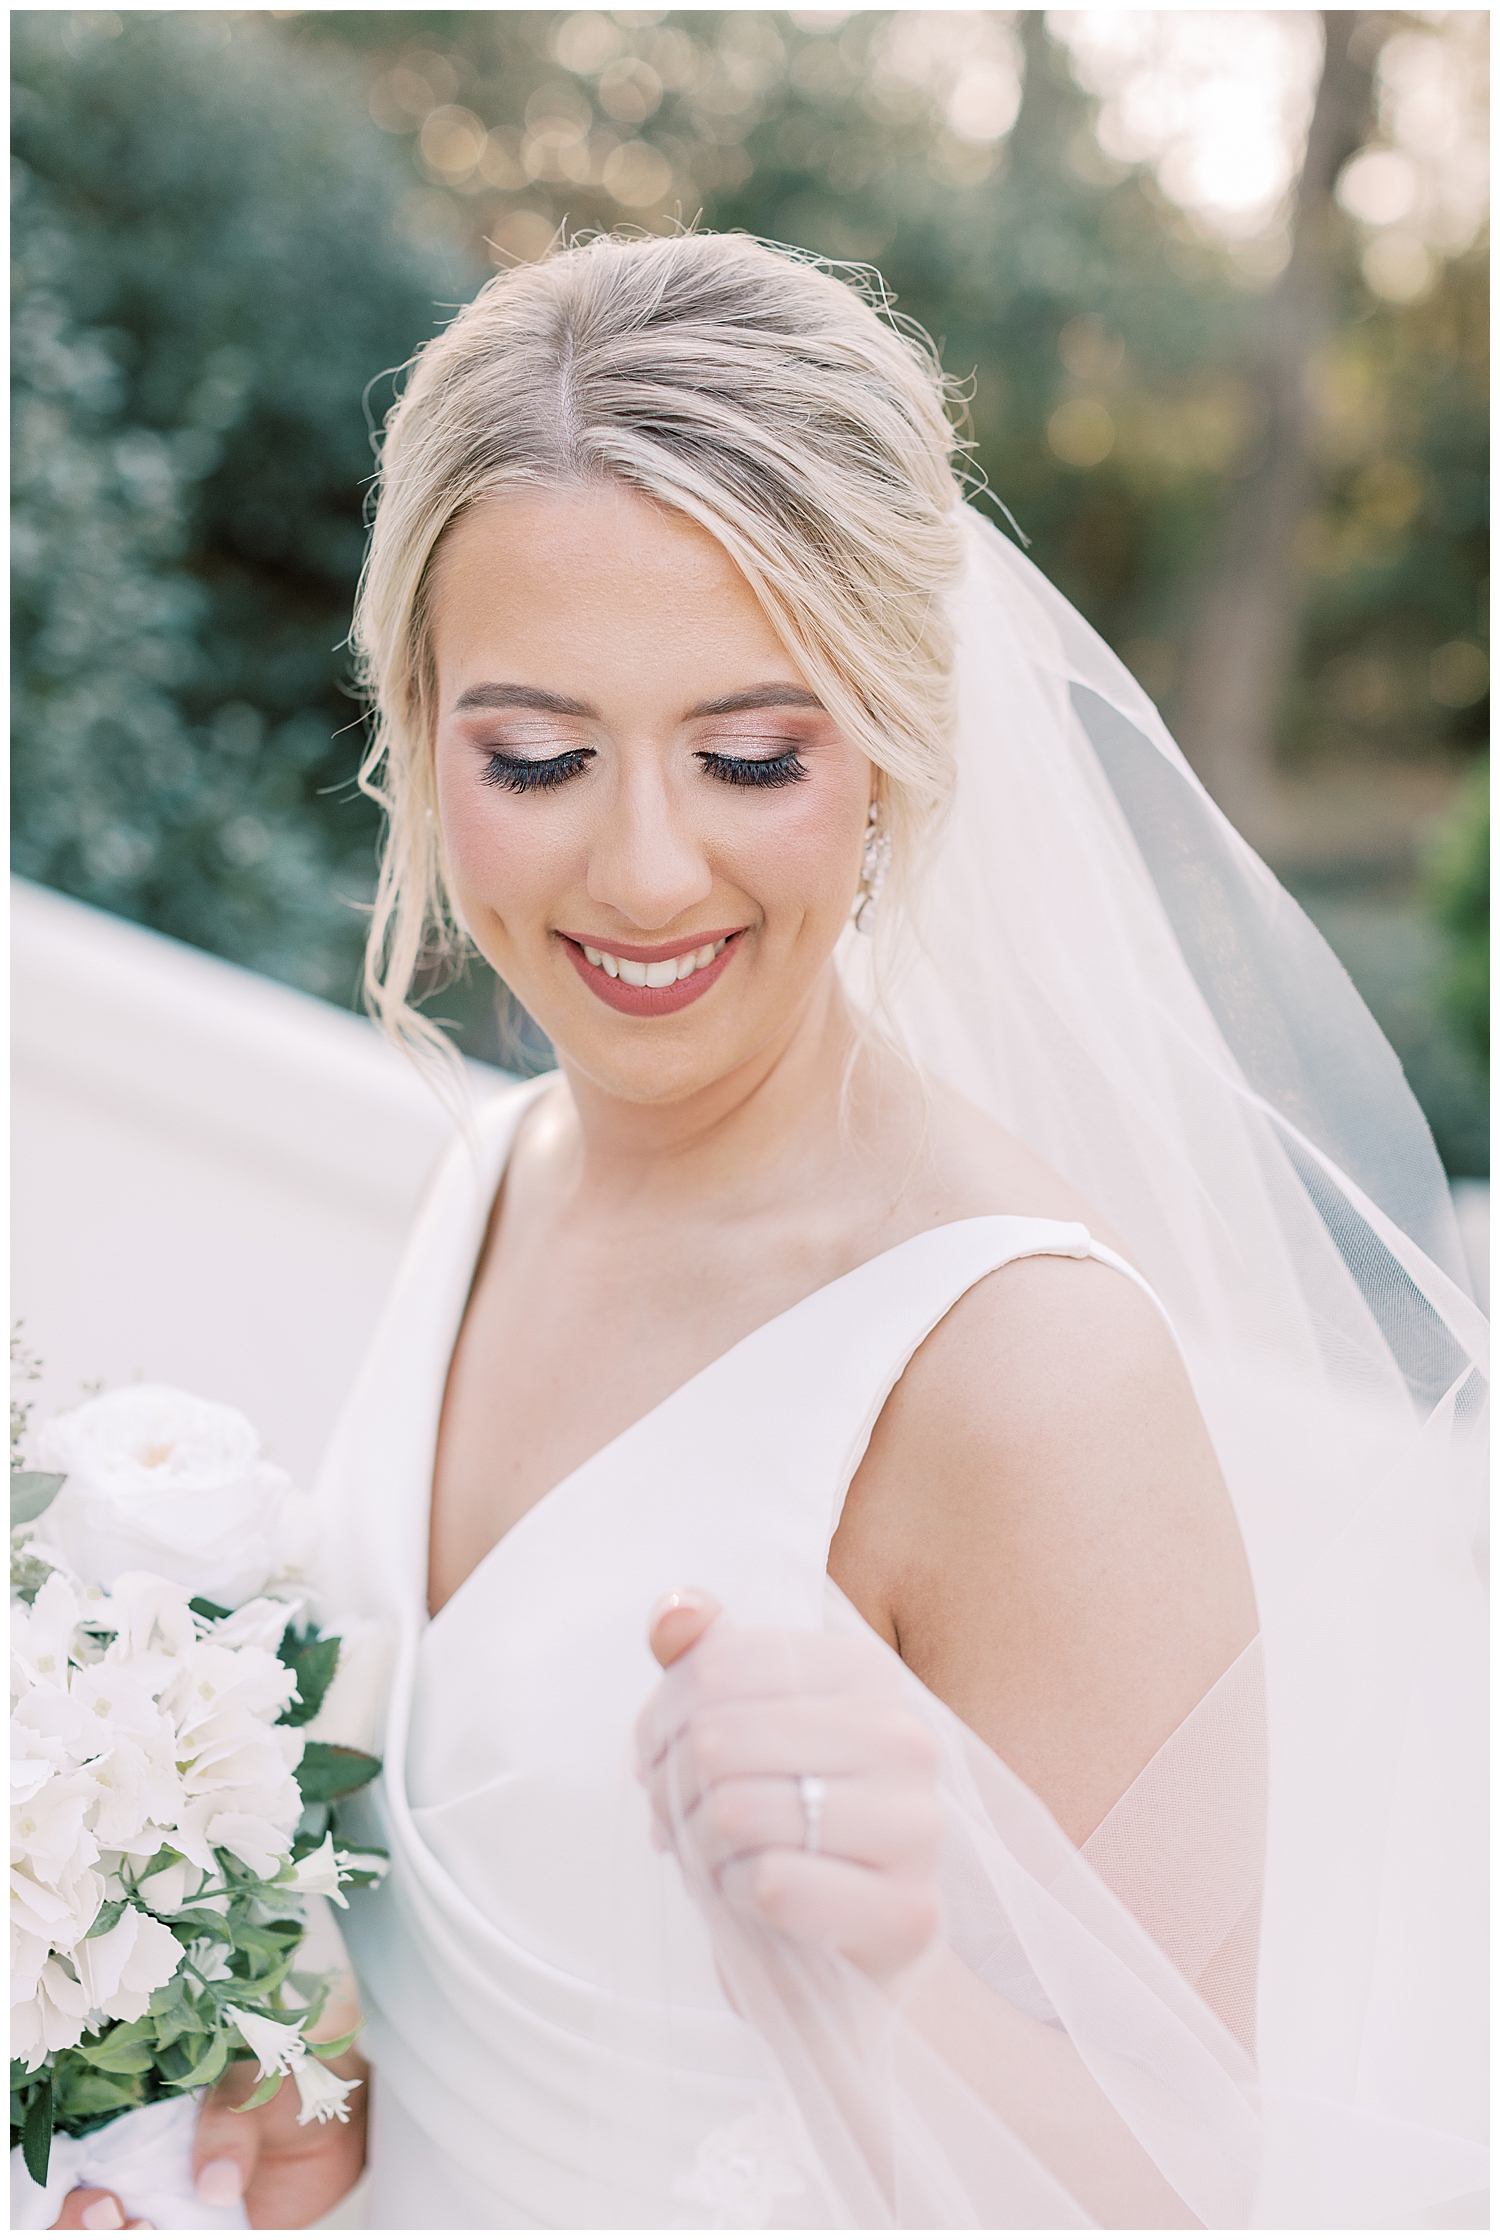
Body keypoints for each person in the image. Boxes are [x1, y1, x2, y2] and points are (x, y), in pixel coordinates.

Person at [53, 230, 1486, 2231]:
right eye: (539, 756)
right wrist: (305, 2093)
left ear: (891, 743)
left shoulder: (1023, 1374)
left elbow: (1178, 2201)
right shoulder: (497, 1167)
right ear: (419, 719)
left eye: (749, 754)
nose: (644, 870)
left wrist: (886, 1967)